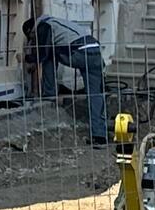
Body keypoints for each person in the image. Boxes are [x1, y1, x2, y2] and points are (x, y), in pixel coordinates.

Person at [23, 14, 109, 143]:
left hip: (80, 52)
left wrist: (27, 58)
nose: (35, 41)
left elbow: (43, 53)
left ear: (31, 30)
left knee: (49, 55)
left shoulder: (43, 26)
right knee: (95, 94)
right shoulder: (57, 22)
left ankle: (49, 95)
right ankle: (99, 136)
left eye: (32, 39)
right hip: (95, 50)